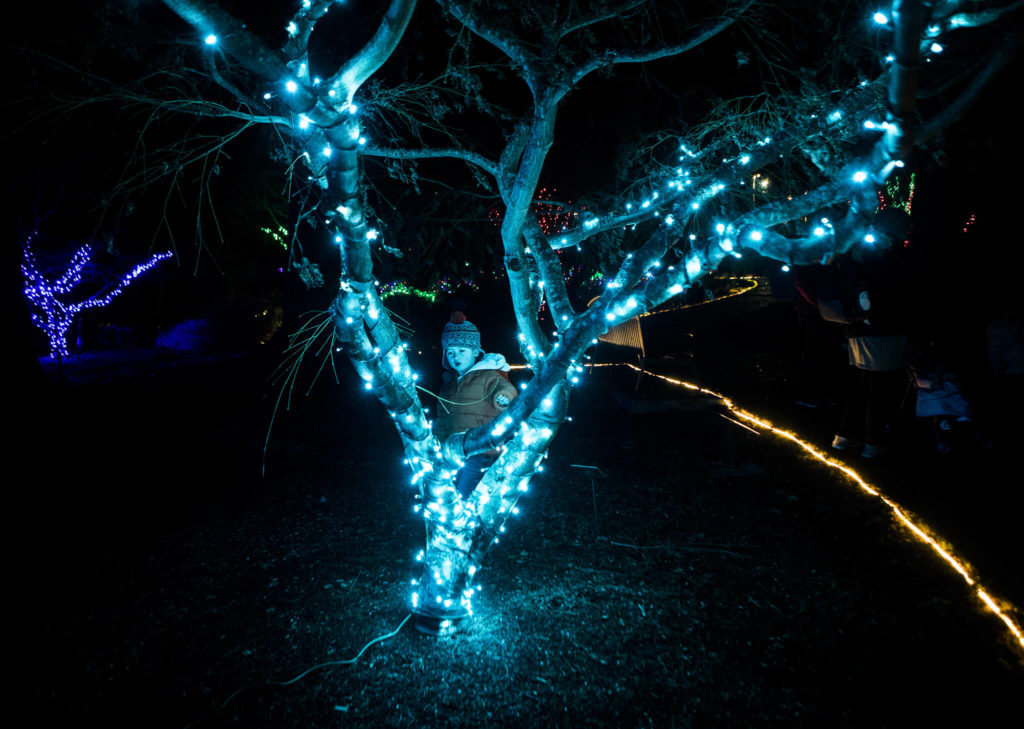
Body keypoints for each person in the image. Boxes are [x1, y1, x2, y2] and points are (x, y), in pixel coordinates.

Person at [434, 311, 518, 498]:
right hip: (454, 451)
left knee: (465, 494)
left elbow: (506, 389)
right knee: (449, 494)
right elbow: (442, 417)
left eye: (462, 350)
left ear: (475, 351)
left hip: (482, 450)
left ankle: (470, 524)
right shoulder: (449, 385)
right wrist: (439, 442)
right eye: (450, 352)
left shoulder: (489, 375)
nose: (456, 356)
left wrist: (502, 398)